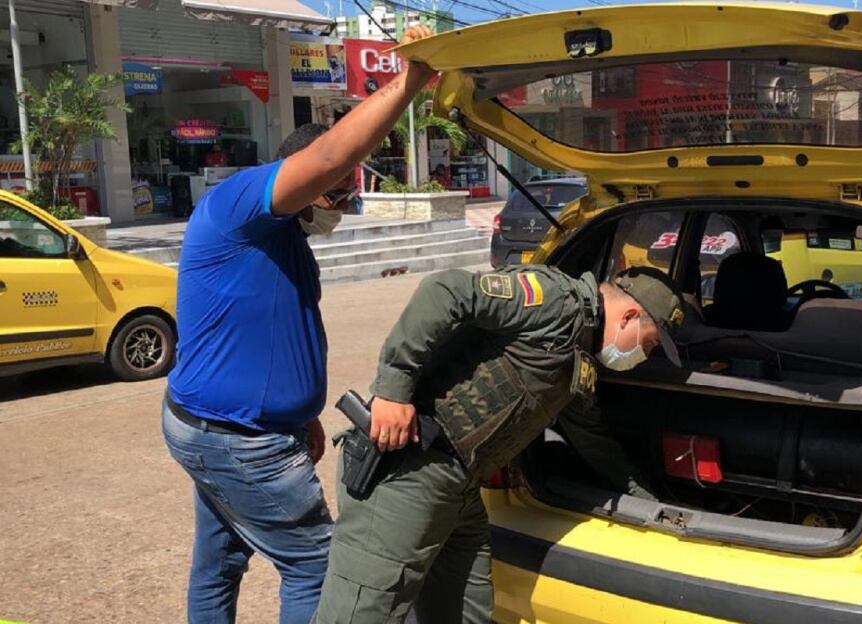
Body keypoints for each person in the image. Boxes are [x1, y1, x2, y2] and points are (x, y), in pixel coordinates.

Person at [160, 26, 436, 624]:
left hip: (224, 428)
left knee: (219, 560)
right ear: (302, 176)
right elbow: (335, 155)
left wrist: (302, 415)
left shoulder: (283, 237)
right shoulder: (237, 204)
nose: (342, 206)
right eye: (335, 195)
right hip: (236, 438)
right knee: (316, 563)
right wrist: (410, 81)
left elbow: (276, 332)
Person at [315, 264, 684, 623]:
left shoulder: (578, 350)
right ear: (629, 317)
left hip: (459, 487)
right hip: (407, 470)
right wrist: (393, 390)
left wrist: (650, 505)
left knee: (469, 614)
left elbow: (592, 439)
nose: (644, 356)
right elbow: (445, 290)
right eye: (649, 343)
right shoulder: (555, 300)